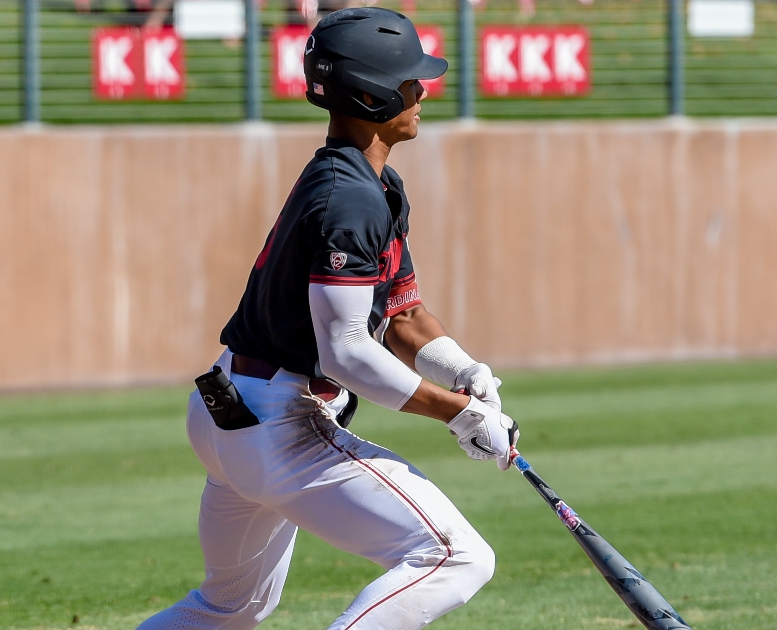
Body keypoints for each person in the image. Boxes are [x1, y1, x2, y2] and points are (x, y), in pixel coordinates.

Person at [137, 8, 520, 630]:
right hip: (277, 425)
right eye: (408, 81)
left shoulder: (373, 185)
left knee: (229, 609)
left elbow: (402, 314)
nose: (422, 91)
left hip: (227, 408)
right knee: (455, 556)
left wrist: (465, 372)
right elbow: (346, 353)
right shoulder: (350, 197)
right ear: (370, 94)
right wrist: (458, 415)